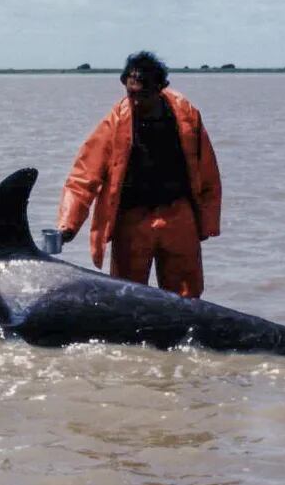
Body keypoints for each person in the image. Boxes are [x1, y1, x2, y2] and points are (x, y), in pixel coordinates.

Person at [56, 51, 221, 299]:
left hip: (178, 215)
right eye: (130, 93)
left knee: (187, 298)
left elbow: (208, 171)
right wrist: (67, 226)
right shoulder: (115, 122)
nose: (134, 101)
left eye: (142, 95)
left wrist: (207, 223)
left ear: (160, 88)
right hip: (131, 219)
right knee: (126, 297)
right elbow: (84, 176)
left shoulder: (187, 116)